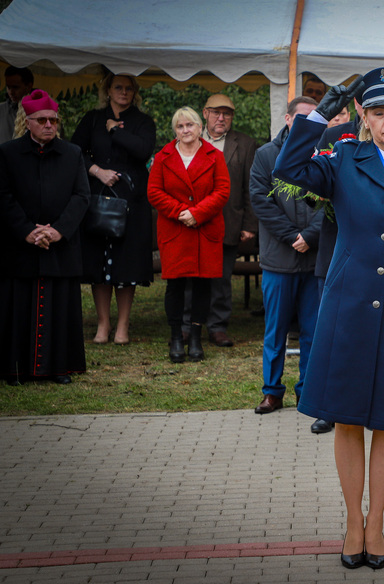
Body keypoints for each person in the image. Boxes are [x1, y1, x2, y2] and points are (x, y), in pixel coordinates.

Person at [272, 67, 384, 570]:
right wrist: (321, 110)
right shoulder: (343, 161)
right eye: (378, 113)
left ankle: (377, 524)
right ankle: (354, 521)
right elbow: (287, 168)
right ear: (364, 117)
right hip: (347, 308)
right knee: (348, 418)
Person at [0, 89, 90, 385]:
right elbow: (3, 195)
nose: (49, 125)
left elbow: (81, 196)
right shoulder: (8, 153)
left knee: (60, 305)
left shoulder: (72, 153)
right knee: (18, 305)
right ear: (27, 122)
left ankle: (59, 367)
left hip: (59, 244)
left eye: (53, 120)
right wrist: (27, 230)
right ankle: (16, 369)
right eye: (42, 120)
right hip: (20, 245)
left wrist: (57, 230)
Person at [249, 96, 327, 431]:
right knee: (275, 330)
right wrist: (291, 235)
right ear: (288, 119)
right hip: (278, 258)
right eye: (302, 118)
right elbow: (260, 200)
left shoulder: (325, 156)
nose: (308, 124)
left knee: (312, 330)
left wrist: (310, 235)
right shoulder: (266, 155)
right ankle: (272, 391)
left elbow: (332, 201)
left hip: (314, 258)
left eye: (314, 119)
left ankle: (307, 390)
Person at [71, 73, 156, 346]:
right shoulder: (93, 119)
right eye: (118, 87)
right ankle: (103, 323)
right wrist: (97, 171)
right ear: (108, 90)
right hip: (99, 197)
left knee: (126, 262)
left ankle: (122, 326)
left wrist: (115, 131)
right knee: (98, 260)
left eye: (129, 88)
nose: (124, 92)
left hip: (132, 201)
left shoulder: (143, 121)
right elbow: (74, 152)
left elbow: (143, 150)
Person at [148, 107, 230, 363]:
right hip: (175, 230)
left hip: (205, 229)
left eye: (190, 125)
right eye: (180, 126)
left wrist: (197, 213)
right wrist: (181, 212)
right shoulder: (163, 157)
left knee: (203, 285)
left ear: (199, 127)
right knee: (175, 286)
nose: (185, 130)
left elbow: (222, 190)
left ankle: (195, 337)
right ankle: (176, 337)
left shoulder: (215, 156)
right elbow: (154, 192)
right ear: (175, 130)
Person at [183, 94, 258, 348]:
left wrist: (249, 225)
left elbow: (251, 187)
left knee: (222, 278)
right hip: (192, 221)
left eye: (227, 114)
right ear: (205, 113)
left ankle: (217, 326)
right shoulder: (189, 139)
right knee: (190, 275)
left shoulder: (245, 144)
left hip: (228, 222)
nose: (221, 118)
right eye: (216, 112)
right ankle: (187, 325)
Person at [0, 66, 33, 143]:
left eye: (15, 87)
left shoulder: (42, 112)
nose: (11, 92)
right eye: (8, 87)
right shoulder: (1, 109)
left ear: (28, 86)